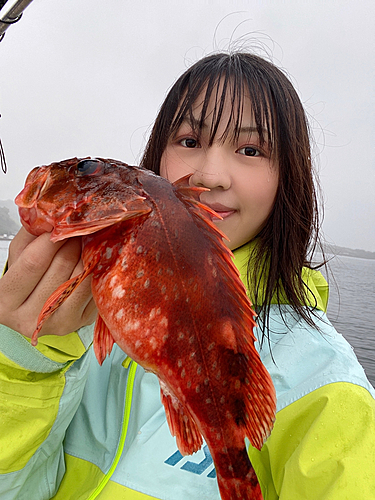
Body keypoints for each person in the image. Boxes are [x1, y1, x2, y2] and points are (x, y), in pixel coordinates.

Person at [0, 52, 374, 500]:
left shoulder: (328, 385)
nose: (211, 175)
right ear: (156, 158)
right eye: (190, 140)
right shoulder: (77, 326)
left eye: (251, 150)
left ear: (288, 178)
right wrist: (27, 357)